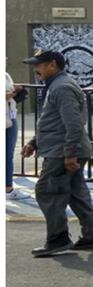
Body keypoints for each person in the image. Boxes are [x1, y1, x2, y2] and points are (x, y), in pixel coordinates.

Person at [21, 49, 93, 257]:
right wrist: (34, 142)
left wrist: (69, 153)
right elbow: (56, 121)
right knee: (75, 193)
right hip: (64, 149)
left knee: (47, 192)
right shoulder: (58, 85)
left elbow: (74, 124)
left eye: (39, 65)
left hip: (63, 152)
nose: (36, 69)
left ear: (52, 65)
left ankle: (58, 239)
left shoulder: (62, 88)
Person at [6, 69, 30, 200]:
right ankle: (7, 189)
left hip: (10, 116)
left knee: (8, 154)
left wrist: (16, 90)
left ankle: (7, 187)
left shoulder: (6, 75)